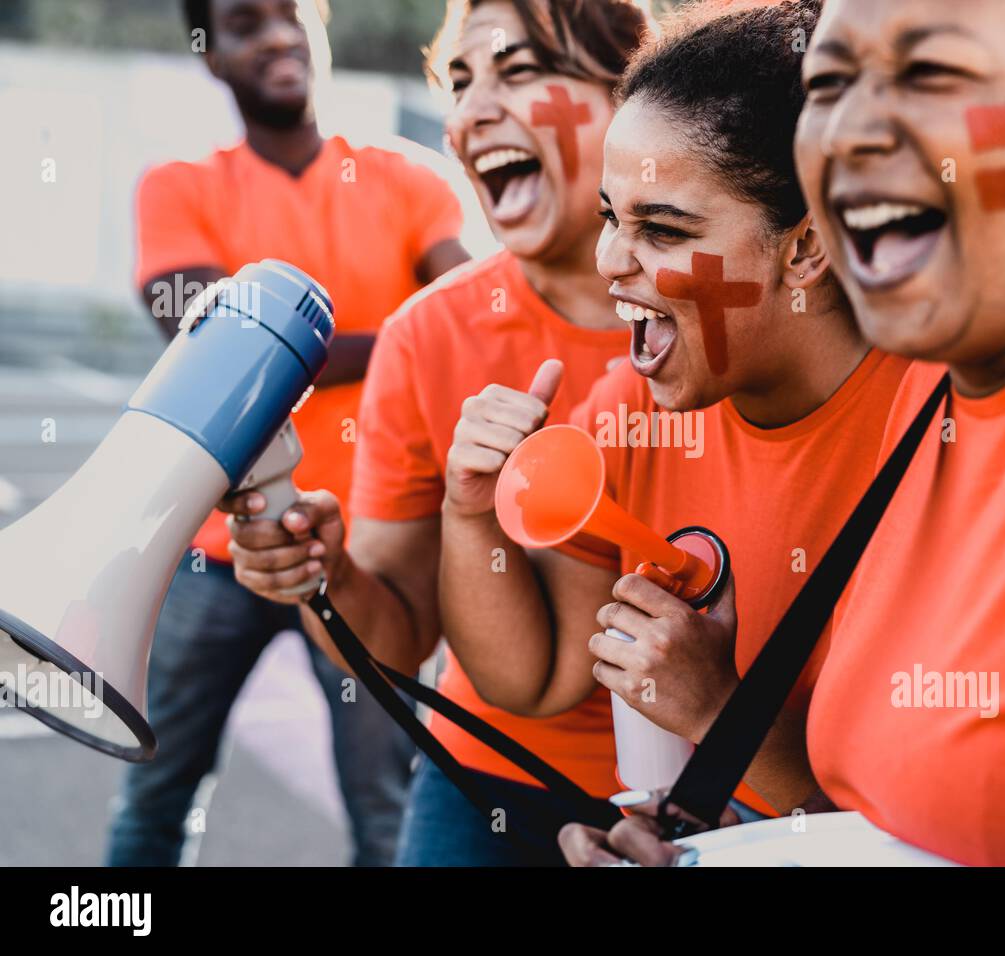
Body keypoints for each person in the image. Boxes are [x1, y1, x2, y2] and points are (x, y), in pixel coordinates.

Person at [562, 0, 1005, 867]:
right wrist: (740, 851)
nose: (855, 133)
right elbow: (913, 820)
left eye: (934, 73)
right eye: (832, 82)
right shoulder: (930, 397)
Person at [439, 0, 909, 822]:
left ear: (807, 248)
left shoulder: (938, 423)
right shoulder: (631, 407)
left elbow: (921, 829)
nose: (609, 260)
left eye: (660, 228)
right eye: (611, 217)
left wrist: (716, 711)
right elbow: (534, 680)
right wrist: (470, 511)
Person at [221, 0, 650, 866]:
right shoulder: (428, 335)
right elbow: (397, 640)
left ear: (631, 95)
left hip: (729, 796)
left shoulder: (731, 316)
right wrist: (324, 573)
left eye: (519, 70)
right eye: (459, 81)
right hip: (484, 786)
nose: (471, 111)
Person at [105, 0, 469, 867]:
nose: (275, 34)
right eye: (242, 22)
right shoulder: (179, 185)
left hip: (364, 558)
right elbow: (214, 350)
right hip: (217, 553)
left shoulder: (411, 179)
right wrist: (401, 338)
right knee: (156, 791)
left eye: (290, 13)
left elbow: (469, 327)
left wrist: (286, 338)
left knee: (389, 817)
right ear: (210, 54)